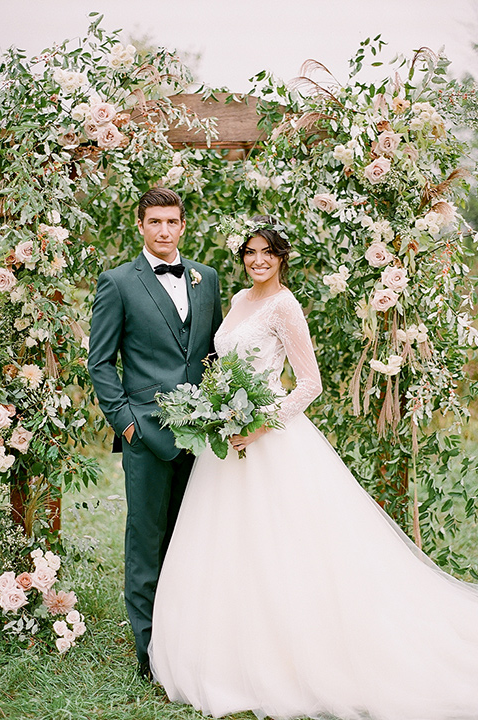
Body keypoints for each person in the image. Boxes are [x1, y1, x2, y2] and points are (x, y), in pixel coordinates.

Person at [148, 215, 478, 720]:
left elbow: (309, 384)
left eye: (268, 253)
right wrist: (216, 408)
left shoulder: (286, 306)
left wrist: (259, 425)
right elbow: (224, 364)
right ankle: (224, 652)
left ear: (282, 259)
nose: (258, 261)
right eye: (251, 253)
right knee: (227, 545)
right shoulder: (238, 301)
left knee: (288, 547)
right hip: (227, 443)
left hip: (271, 439)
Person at [88, 187, 222, 679]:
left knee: (194, 538)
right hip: (145, 433)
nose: (164, 231)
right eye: (154, 222)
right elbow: (100, 362)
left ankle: (190, 638)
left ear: (183, 226)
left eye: (172, 222)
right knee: (146, 541)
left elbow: (214, 354)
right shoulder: (118, 283)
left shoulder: (206, 279)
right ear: (140, 226)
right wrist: (126, 423)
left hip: (205, 436)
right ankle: (150, 654)